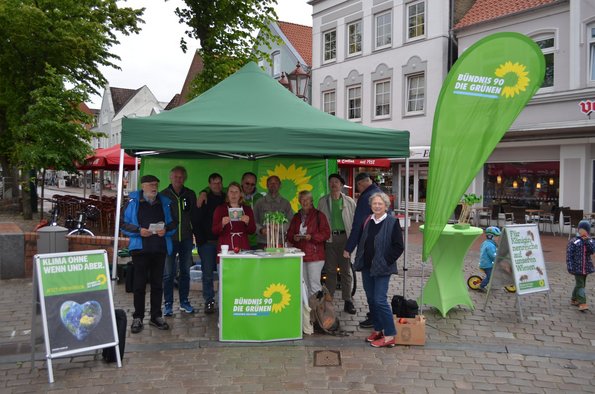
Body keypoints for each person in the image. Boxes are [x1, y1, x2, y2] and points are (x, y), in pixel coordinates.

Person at [121, 175, 177, 333]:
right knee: (139, 285)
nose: (154, 187)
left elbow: (174, 223)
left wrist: (166, 230)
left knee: (157, 284)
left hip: (159, 248)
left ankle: (156, 316)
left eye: (156, 185)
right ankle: (138, 317)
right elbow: (122, 224)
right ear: (143, 186)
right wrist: (139, 231)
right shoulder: (132, 203)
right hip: (140, 249)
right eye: (151, 185)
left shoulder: (165, 202)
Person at [353, 192, 404, 348]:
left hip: (382, 268)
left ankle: (390, 335)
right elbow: (363, 241)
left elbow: (398, 247)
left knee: (379, 300)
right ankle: (378, 329)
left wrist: (385, 260)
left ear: (386, 206)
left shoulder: (391, 222)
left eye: (380, 204)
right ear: (371, 206)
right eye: (374, 204)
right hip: (367, 266)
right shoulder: (368, 220)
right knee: (371, 299)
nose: (377, 206)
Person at [343, 172, 381, 328]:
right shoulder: (380, 193)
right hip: (382, 247)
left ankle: (375, 317)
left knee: (370, 285)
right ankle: (376, 314)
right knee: (378, 284)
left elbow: (358, 225)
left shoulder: (366, 198)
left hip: (368, 248)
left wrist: (349, 248)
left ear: (360, 184)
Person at [160, 166, 197, 316]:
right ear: (170, 177)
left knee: (185, 273)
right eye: (175, 176)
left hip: (186, 238)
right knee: (168, 273)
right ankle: (168, 304)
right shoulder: (163, 195)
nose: (178, 179)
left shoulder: (190, 194)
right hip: (169, 239)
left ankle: (184, 302)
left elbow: (195, 215)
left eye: (181, 177)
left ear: (185, 178)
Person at [318, 173, 357, 314]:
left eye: (336, 182)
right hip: (329, 239)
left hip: (345, 239)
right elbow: (319, 222)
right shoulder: (322, 201)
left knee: (346, 271)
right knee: (330, 271)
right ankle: (329, 300)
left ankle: (348, 300)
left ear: (341, 185)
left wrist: (353, 242)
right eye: (331, 182)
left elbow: (355, 223)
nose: (333, 184)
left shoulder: (349, 202)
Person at [193, 173, 226, 314]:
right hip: (207, 243)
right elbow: (196, 221)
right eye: (214, 183)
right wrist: (201, 241)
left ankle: (225, 299)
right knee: (207, 274)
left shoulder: (226, 198)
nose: (217, 186)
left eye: (219, 183)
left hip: (223, 243)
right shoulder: (204, 198)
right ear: (209, 184)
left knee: (225, 273)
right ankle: (209, 300)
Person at [287, 191, 331, 297]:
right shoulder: (296, 216)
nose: (305, 201)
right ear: (299, 201)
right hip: (300, 255)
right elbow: (289, 234)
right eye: (302, 199)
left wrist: (312, 237)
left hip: (315, 256)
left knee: (314, 286)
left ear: (312, 201)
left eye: (307, 199)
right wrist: (294, 237)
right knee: (303, 286)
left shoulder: (319, 215)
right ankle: (306, 311)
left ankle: (316, 312)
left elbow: (326, 233)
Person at [212, 181, 256, 254]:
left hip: (243, 245)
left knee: (243, 265)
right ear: (228, 194)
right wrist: (222, 224)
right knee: (226, 265)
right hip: (226, 245)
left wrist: (248, 223)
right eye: (231, 191)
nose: (233, 194)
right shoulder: (220, 209)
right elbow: (214, 231)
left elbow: (252, 231)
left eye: (236, 192)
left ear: (240, 194)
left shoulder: (247, 209)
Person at [253, 175, 294, 249]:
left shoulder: (285, 203)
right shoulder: (259, 202)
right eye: (270, 183)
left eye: (276, 183)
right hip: (263, 242)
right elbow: (253, 221)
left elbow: (290, 221)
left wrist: (280, 228)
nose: (273, 185)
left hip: (280, 242)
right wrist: (261, 230)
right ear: (267, 185)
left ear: (280, 185)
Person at [566, 220, 594, 312]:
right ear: (578, 230)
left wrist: (587, 241)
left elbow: (592, 250)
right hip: (577, 268)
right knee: (581, 284)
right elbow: (569, 255)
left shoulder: (590, 240)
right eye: (581, 229)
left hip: (586, 268)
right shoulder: (574, 241)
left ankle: (574, 299)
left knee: (580, 284)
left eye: (585, 230)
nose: (583, 231)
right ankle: (582, 303)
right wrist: (570, 266)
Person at [478, 226, 501, 292]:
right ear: (491, 236)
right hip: (487, 265)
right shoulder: (490, 245)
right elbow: (493, 256)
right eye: (496, 237)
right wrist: (498, 258)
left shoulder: (487, 243)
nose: (498, 238)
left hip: (488, 263)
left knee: (494, 274)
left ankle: (492, 284)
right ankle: (481, 286)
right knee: (490, 277)